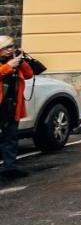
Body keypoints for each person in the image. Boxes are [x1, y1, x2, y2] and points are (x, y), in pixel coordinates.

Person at [0, 35, 45, 181]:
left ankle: (10, 168)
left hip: (11, 106)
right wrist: (9, 66)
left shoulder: (14, 62)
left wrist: (21, 61)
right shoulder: (6, 65)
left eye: (12, 46)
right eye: (7, 47)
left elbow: (29, 74)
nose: (10, 50)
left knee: (11, 138)